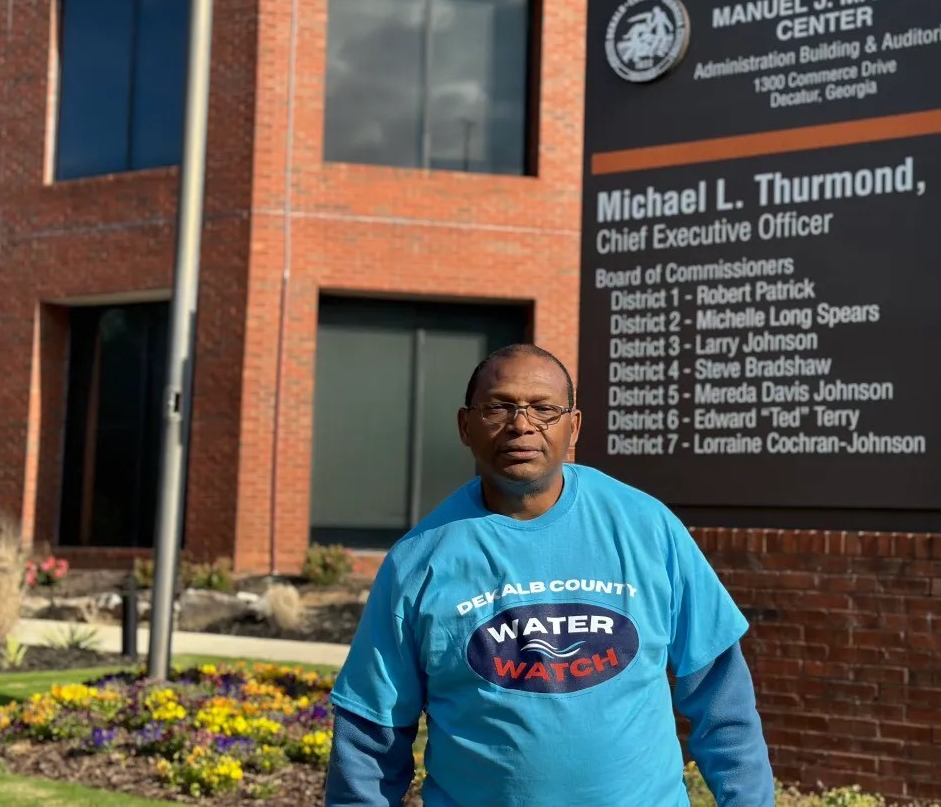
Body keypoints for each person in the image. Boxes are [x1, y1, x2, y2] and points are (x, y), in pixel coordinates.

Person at [324, 343, 773, 806]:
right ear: (465, 426)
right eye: (499, 407)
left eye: (543, 409)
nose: (522, 425)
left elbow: (724, 701)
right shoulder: (418, 561)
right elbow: (370, 736)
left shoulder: (647, 528)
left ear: (573, 427)